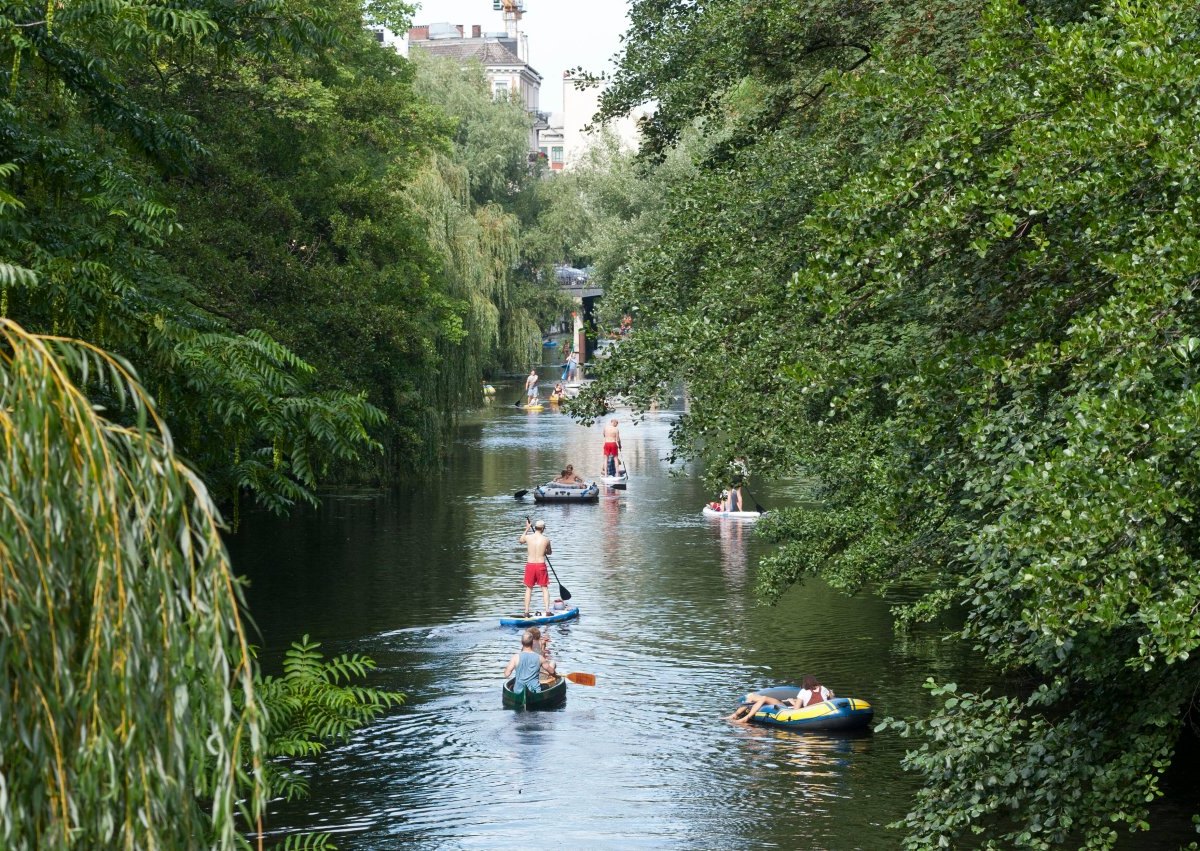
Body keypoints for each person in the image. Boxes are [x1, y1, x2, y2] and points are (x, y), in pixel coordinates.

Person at [727, 675, 834, 723]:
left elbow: (796, 710)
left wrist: (792, 702)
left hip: (800, 711)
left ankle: (743, 717)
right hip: (822, 711)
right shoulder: (823, 689)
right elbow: (830, 699)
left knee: (762, 698)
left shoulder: (803, 692)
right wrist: (831, 694)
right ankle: (739, 715)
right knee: (757, 698)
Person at [503, 628, 556, 695]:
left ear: (521, 642)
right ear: (532, 642)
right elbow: (552, 672)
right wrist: (554, 676)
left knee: (511, 686)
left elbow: (506, 674)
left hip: (518, 690)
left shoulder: (515, 657)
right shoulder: (540, 658)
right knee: (547, 686)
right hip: (535, 690)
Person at [518, 518, 552, 616]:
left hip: (530, 565)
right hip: (541, 565)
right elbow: (549, 552)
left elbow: (520, 540)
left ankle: (526, 612)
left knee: (529, 588)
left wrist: (527, 528)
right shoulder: (546, 539)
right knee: (544, 588)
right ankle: (547, 611)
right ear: (543, 529)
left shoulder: (528, 537)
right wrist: (544, 551)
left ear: (535, 528)